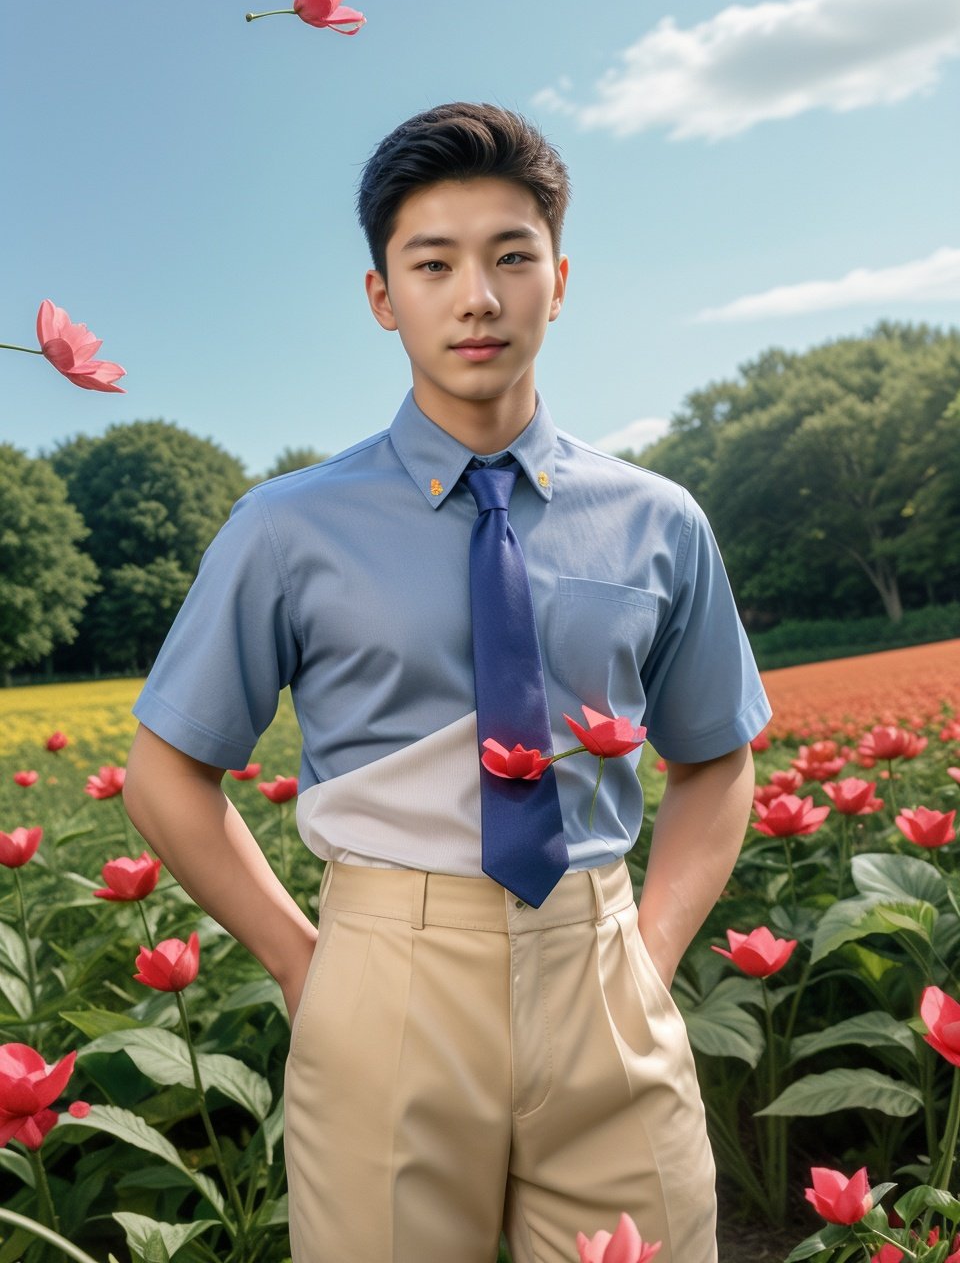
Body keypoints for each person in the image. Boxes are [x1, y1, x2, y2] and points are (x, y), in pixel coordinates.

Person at [123, 101, 771, 1263]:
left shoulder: (659, 519)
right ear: (384, 296)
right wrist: (305, 963)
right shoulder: (286, 528)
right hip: (385, 985)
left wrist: (652, 952)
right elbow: (167, 770)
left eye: (511, 256)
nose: (478, 296)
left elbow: (717, 753)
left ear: (558, 280)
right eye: (434, 263)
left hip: (604, 975)